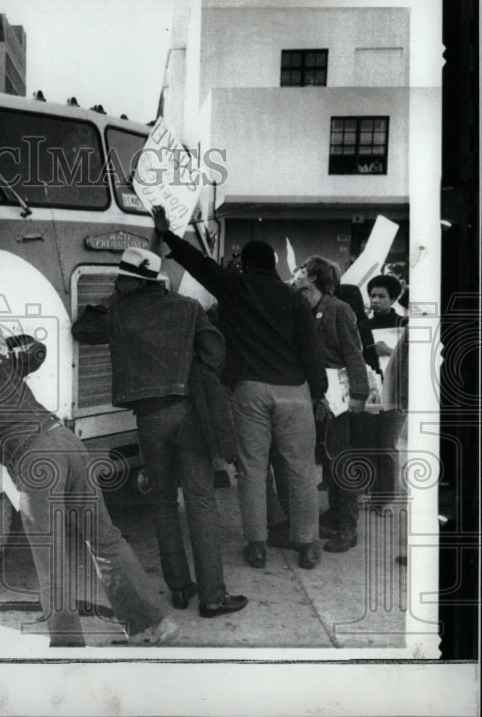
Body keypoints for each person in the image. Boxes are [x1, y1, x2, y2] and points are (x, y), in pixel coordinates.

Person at [0, 315, 179, 647]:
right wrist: (3, 339)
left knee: (53, 560)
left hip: (36, 464)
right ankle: (153, 625)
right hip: (69, 442)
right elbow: (37, 351)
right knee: (106, 541)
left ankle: (68, 648)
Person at [72, 247, 249, 618]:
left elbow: (82, 330)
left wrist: (115, 300)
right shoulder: (187, 308)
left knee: (164, 502)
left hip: (149, 419)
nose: (116, 283)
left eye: (121, 279)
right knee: (200, 502)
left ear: (133, 281)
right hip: (188, 413)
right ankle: (213, 597)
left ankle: (181, 589)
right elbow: (215, 352)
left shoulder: (118, 312)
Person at [153, 207, 327, 570]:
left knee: (252, 468)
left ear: (245, 264)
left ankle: (257, 545)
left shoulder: (235, 286)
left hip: (249, 390)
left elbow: (198, 263)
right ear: (274, 264)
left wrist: (168, 235)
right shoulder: (295, 297)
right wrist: (319, 391)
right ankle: (308, 544)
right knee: (300, 470)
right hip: (294, 391)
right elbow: (312, 349)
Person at [293, 256, 370, 553]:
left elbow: (354, 354)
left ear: (313, 277)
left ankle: (348, 527)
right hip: (315, 394)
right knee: (328, 457)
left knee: (340, 459)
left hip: (337, 394)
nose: (297, 275)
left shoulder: (339, 309)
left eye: (302, 271)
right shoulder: (305, 308)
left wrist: (359, 395)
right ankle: (336, 513)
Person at [365, 274, 408, 509]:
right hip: (373, 392)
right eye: (372, 295)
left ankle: (386, 499)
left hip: (397, 392)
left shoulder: (405, 324)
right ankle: (375, 492)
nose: (376, 300)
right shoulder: (364, 325)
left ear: (393, 299)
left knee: (387, 444)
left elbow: (418, 360)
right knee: (372, 443)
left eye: (382, 296)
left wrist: (389, 350)